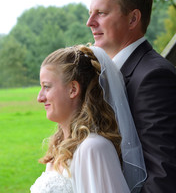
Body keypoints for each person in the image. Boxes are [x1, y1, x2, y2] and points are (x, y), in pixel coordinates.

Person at [87, 0, 176, 193]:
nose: (90, 22)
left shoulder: (153, 77)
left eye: (101, 13)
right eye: (90, 13)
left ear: (133, 18)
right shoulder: (111, 72)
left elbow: (164, 174)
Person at [30, 45, 143, 193]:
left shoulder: (94, 148)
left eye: (47, 87)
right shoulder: (60, 147)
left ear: (73, 89)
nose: (40, 98)